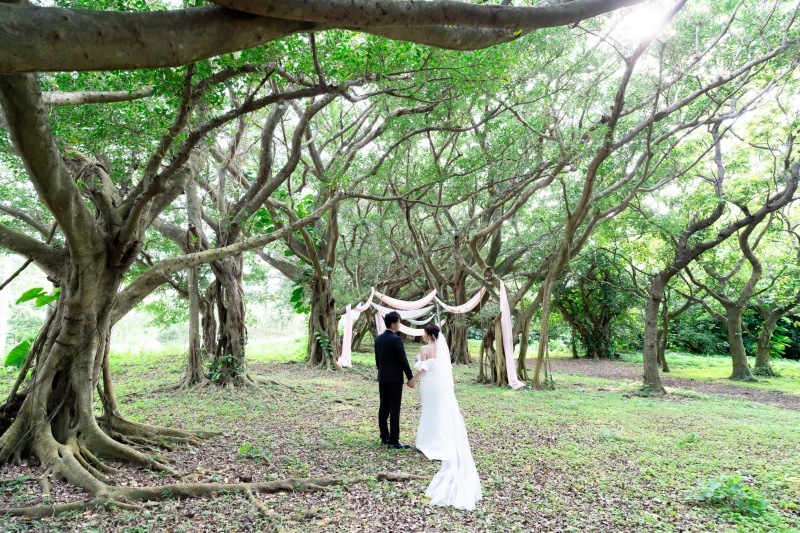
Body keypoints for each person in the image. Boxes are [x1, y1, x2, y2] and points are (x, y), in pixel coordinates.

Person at [408, 323, 482, 510]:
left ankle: (429, 442)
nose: (423, 336)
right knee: (439, 412)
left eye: (424, 333)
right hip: (440, 386)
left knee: (429, 412)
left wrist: (412, 381)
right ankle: (440, 439)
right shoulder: (441, 349)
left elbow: (423, 369)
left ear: (429, 335)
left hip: (428, 385)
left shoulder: (425, 348)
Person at [374, 311, 414, 449]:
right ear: (393, 324)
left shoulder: (378, 339)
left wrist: (382, 373)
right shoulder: (396, 340)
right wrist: (410, 378)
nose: (400, 324)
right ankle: (394, 439)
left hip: (383, 377)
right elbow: (403, 360)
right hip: (395, 380)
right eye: (399, 322)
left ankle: (384, 436)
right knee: (394, 408)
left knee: (383, 406)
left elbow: (378, 361)